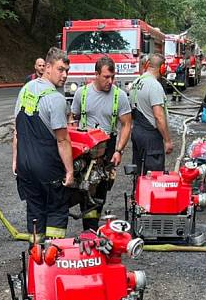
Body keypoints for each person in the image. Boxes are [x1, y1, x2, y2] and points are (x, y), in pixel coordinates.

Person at [12, 48, 73, 241]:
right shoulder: (56, 99)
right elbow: (62, 140)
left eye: (67, 71)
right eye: (60, 69)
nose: (64, 75)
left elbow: (17, 130)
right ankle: (54, 256)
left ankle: (36, 257)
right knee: (56, 209)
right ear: (47, 67)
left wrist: (16, 160)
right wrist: (70, 171)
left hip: (25, 166)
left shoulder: (25, 90)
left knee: (35, 211)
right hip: (47, 167)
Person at [69, 56, 132, 230]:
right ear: (96, 74)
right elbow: (72, 120)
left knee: (100, 190)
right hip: (84, 147)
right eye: (106, 77)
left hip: (106, 147)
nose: (110, 81)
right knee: (81, 187)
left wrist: (119, 150)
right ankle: (88, 227)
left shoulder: (119, 96)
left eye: (113, 77)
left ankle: (91, 227)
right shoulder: (81, 93)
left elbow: (127, 124)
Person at [129, 53, 173, 174]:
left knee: (138, 172)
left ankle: (137, 192)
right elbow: (159, 116)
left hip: (137, 131)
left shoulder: (136, 82)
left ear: (148, 65)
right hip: (151, 137)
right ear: (162, 68)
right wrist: (167, 140)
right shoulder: (154, 86)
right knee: (154, 176)